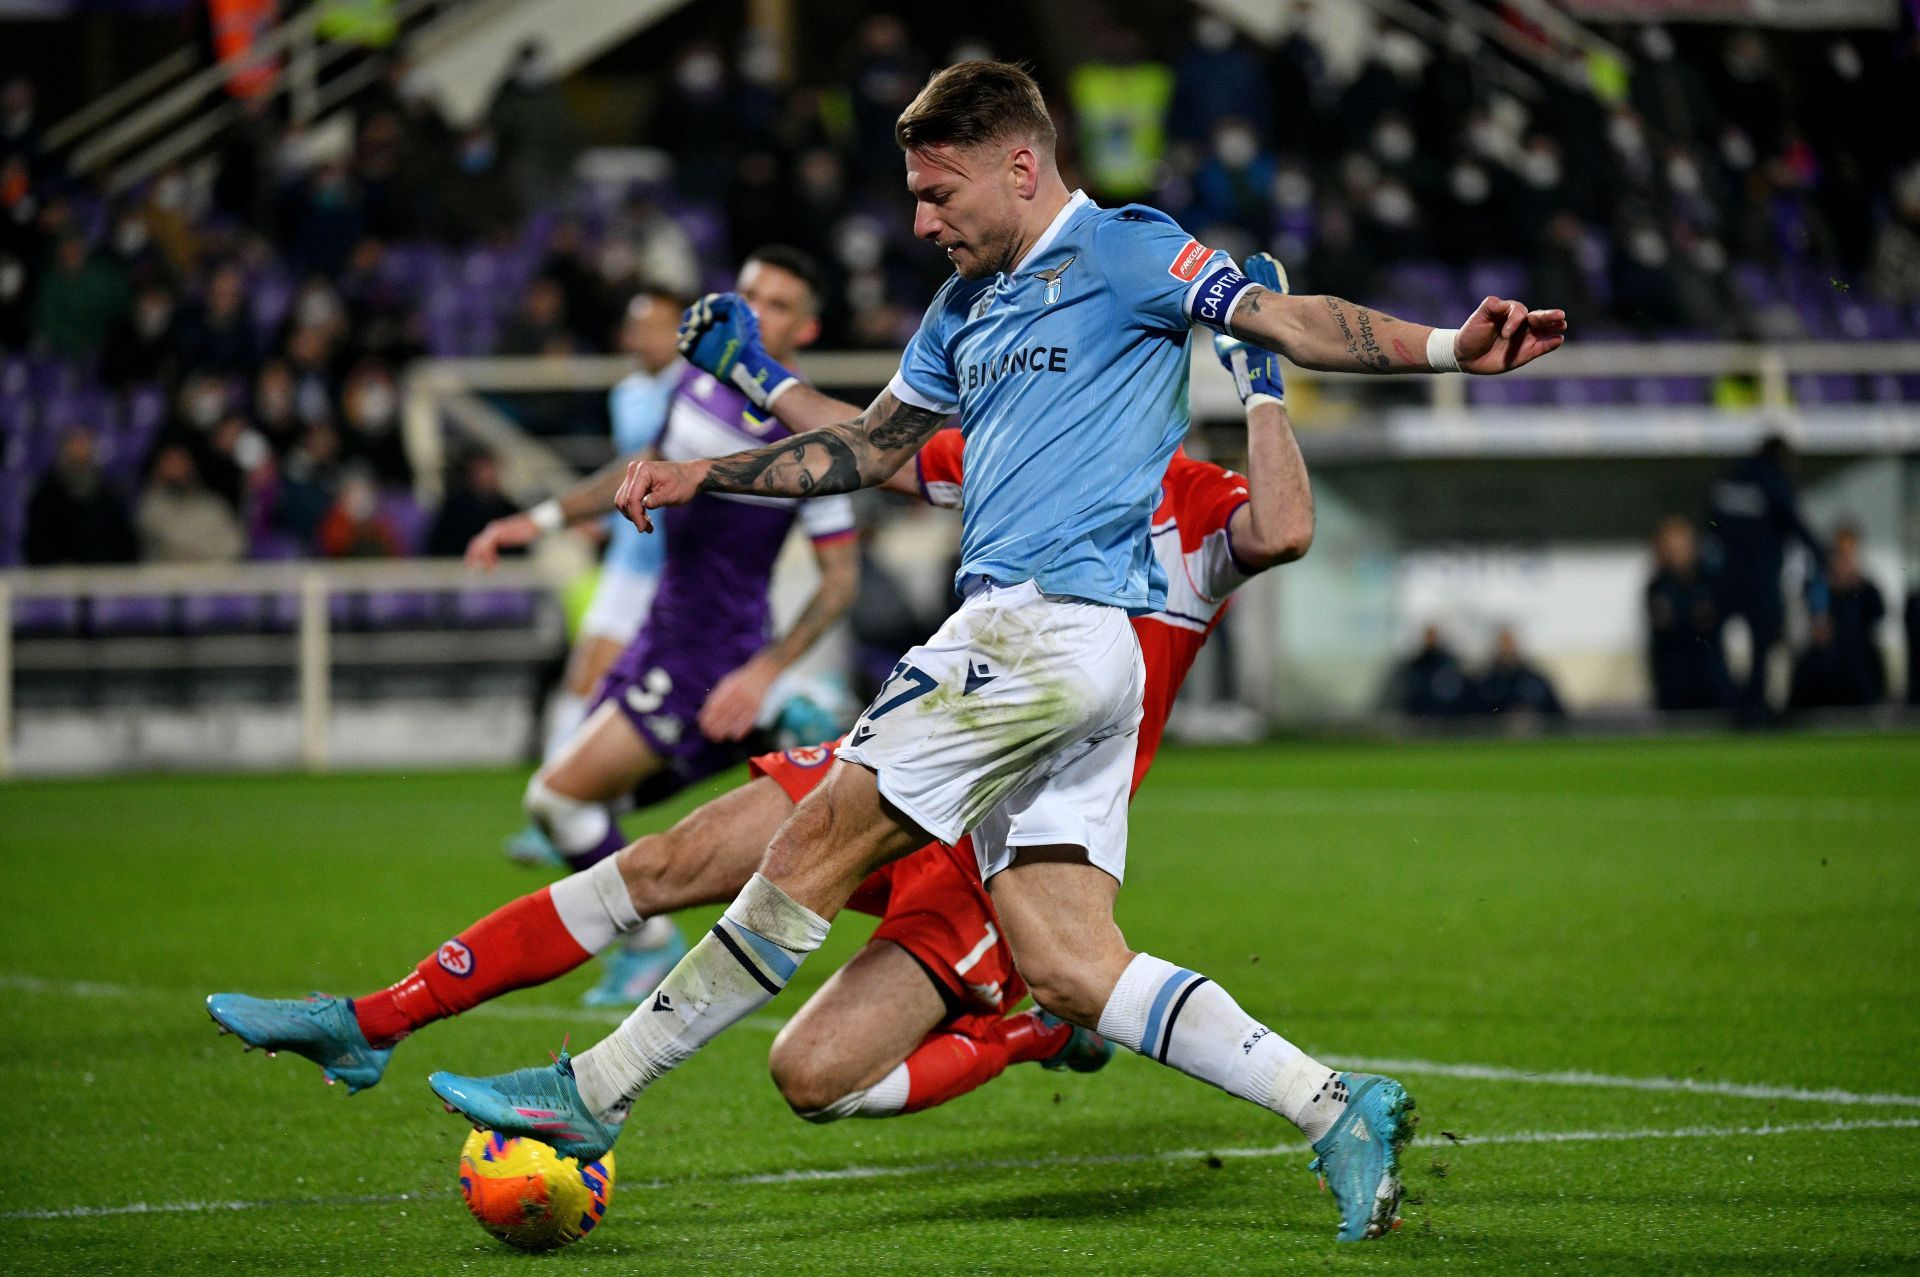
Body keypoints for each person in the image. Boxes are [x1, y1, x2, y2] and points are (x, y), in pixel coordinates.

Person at [430, 62, 1564, 1244]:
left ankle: (590, 1092)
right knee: (1070, 964)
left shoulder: (1130, 250)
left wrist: (1449, 348)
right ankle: (1334, 1106)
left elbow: (1285, 319)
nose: (922, 221)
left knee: (816, 833)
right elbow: (870, 448)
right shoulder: (961, 307)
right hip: (1078, 663)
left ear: (1022, 168)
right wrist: (701, 471)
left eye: (939, 191)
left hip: (1037, 625)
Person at [207, 267, 1315, 1130]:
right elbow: (867, 444)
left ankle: (1041, 1031)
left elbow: (1284, 528)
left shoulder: (1201, 503)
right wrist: (751, 373)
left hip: (1014, 841)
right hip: (915, 742)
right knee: (660, 865)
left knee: (812, 1076)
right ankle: (378, 1018)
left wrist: (1261, 383)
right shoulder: (1018, 458)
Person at [461, 247, 860, 891]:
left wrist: (764, 670)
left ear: (806, 330)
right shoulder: (696, 378)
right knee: (585, 802)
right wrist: (536, 522)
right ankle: (775, 725)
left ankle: (645, 944)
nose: (755, 314)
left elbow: (841, 578)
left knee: (558, 801)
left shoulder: (809, 437)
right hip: (661, 628)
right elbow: (644, 463)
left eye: (778, 305)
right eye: (749, 295)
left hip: (705, 655)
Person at [1708, 435, 1825, 725]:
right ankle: (1756, 708)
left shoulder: (1730, 478)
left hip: (1726, 577)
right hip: (1761, 580)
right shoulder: (1774, 480)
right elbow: (1797, 523)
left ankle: (1732, 703)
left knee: (1713, 643)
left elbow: (1711, 526)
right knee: (1763, 647)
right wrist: (1823, 556)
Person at [1789, 525, 1887, 708]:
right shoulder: (1819, 587)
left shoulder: (1865, 588)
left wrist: (1854, 588)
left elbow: (1878, 614)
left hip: (1858, 659)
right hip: (1827, 657)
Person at [1646, 516, 1731, 712]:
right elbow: (1668, 627)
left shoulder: (1709, 581)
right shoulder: (1658, 586)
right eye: (1672, 547)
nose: (1678, 552)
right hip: (1674, 676)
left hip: (1709, 673)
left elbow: (1710, 621)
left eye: (1682, 545)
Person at [24, 428, 137, 566]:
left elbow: (122, 539)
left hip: (103, 573)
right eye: (75, 443)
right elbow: (37, 540)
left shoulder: (108, 490)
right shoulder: (46, 492)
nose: (79, 449)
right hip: (58, 575)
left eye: (83, 443)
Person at [136, 442, 246, 564]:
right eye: (169, 463)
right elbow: (161, 538)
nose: (176, 470)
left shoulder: (213, 507)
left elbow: (234, 548)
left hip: (210, 578)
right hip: (162, 579)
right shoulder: (150, 507)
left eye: (180, 462)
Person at [1473, 626, 1564, 719]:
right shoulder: (1484, 683)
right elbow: (1471, 717)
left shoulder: (1536, 681)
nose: (1506, 649)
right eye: (1503, 643)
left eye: (1509, 643)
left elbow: (1557, 715)